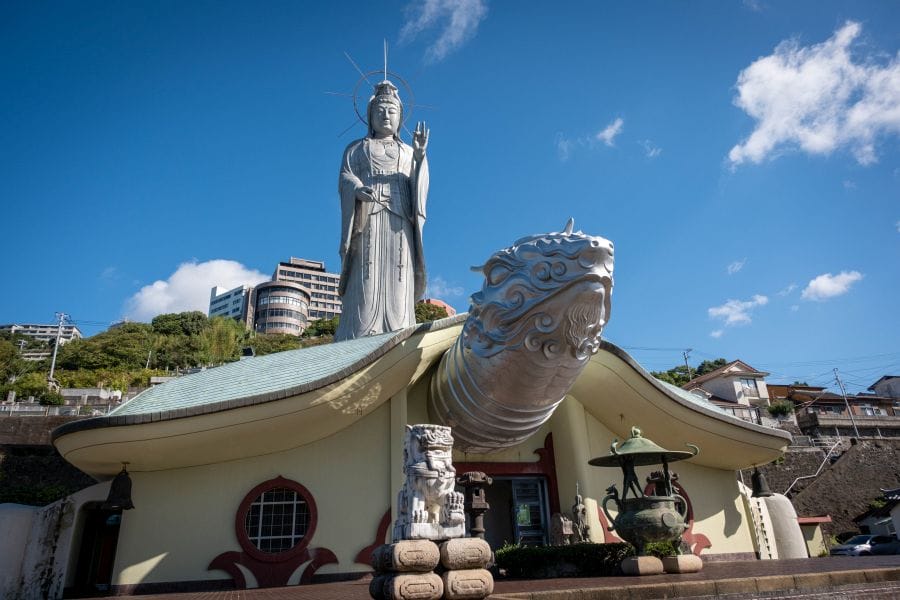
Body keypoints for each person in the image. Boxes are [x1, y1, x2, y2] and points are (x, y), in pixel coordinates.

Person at [335, 80, 429, 341]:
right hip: (367, 218)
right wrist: (355, 189)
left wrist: (420, 158)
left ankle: (399, 329)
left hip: (400, 218)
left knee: (399, 276)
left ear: (400, 117)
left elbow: (419, 187)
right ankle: (361, 330)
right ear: (370, 116)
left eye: (391, 111)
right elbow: (345, 177)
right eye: (380, 111)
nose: (385, 115)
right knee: (366, 275)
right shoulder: (356, 149)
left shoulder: (408, 151)